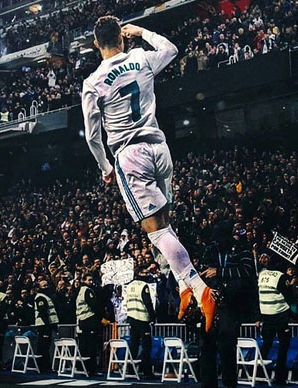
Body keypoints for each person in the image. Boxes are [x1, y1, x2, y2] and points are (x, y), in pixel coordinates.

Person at [82, 15, 216, 332]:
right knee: (165, 226)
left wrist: (105, 167)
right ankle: (184, 287)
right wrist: (142, 31)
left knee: (156, 232)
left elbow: (92, 136)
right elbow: (170, 50)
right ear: (123, 37)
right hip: (160, 148)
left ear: (96, 44)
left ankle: (199, 290)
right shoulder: (141, 57)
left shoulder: (93, 82)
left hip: (130, 156)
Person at [199, 227, 259, 388]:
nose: (218, 243)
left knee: (227, 348)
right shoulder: (210, 250)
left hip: (231, 306)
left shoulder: (242, 250)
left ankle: (229, 384)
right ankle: (208, 386)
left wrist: (220, 272)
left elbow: (247, 272)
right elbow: (204, 272)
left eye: (220, 240)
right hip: (211, 303)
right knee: (206, 348)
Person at [257, 254, 292, 385]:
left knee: (266, 345)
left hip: (265, 314)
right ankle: (280, 378)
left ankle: (260, 374)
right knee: (284, 346)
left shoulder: (261, 275)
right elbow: (289, 295)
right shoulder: (280, 276)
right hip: (279, 314)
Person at [126, 267, 156, 379]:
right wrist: (153, 317)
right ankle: (147, 371)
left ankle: (131, 369)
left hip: (132, 318)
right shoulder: (143, 286)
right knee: (146, 346)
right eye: (144, 272)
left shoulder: (129, 286)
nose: (147, 274)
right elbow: (147, 302)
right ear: (139, 273)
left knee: (133, 345)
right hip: (142, 318)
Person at [76, 273, 108, 376]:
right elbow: (94, 306)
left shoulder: (80, 291)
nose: (91, 282)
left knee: (84, 346)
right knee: (91, 347)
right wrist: (101, 318)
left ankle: (83, 368)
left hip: (82, 321)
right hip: (89, 320)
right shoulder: (88, 291)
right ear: (84, 280)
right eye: (89, 280)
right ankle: (92, 369)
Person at [34, 280, 59, 372]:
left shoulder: (46, 296)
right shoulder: (40, 297)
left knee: (45, 346)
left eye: (47, 285)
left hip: (47, 324)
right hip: (43, 325)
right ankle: (45, 367)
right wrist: (48, 325)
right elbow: (43, 312)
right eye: (43, 286)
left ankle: (43, 366)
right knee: (44, 346)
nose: (46, 287)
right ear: (39, 287)